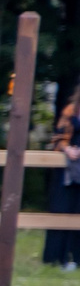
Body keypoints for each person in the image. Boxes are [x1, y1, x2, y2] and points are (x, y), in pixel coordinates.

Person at [47, 87, 80, 270]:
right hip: (68, 167)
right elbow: (58, 138)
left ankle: (76, 258)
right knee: (63, 208)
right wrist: (67, 149)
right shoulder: (70, 110)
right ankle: (57, 258)